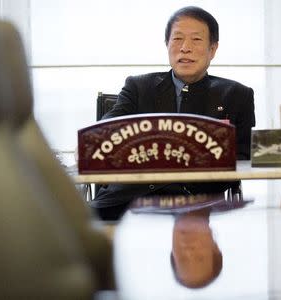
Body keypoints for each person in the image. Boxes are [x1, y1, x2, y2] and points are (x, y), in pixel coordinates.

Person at [90, 6, 256, 220]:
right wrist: (91, 143)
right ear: (167, 45)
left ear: (212, 49)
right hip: (127, 199)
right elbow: (108, 129)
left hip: (198, 202)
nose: (185, 48)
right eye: (177, 39)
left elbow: (242, 158)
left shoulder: (236, 95)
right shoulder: (138, 87)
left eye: (196, 40)